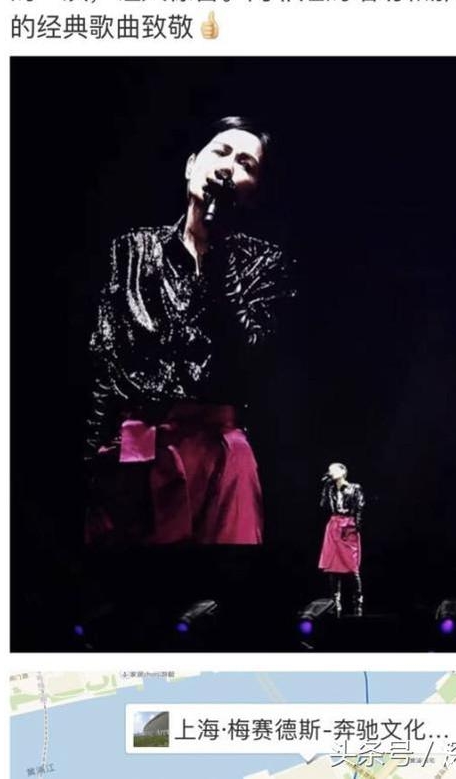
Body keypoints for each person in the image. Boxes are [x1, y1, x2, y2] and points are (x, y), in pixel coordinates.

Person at [84, 116, 294, 548]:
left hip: (221, 456)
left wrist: (218, 259)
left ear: (253, 193)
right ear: (190, 165)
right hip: (137, 454)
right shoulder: (132, 250)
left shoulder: (265, 264)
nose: (227, 167)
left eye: (246, 164)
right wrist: (91, 464)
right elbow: (104, 363)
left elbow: (252, 360)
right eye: (221, 152)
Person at [318, 462, 364, 616]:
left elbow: (360, 508)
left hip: (348, 525)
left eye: (333, 470)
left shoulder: (355, 488)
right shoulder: (330, 488)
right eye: (329, 470)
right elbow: (323, 506)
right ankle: (335, 603)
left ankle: (358, 602)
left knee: (352, 567)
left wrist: (355, 527)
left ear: (343, 471)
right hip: (334, 525)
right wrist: (325, 488)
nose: (330, 472)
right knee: (333, 566)